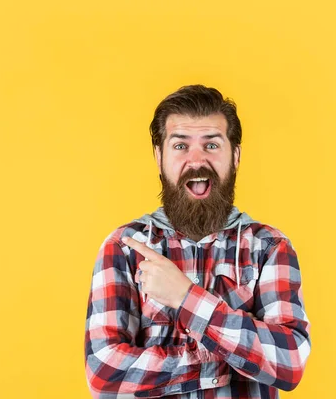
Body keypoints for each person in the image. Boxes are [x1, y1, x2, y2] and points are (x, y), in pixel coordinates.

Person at [84, 85, 311, 399]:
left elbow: (289, 361)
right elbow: (104, 372)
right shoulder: (125, 247)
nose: (196, 160)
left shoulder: (269, 246)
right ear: (158, 156)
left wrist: (185, 297)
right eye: (180, 146)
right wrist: (219, 365)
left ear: (236, 156)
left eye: (212, 145)